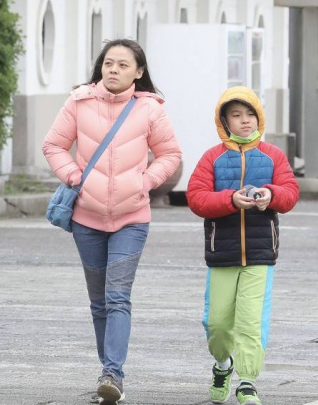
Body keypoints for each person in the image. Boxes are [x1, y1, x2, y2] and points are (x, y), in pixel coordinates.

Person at [42, 39, 182, 405]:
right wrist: (74, 176)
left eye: (123, 64)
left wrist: (146, 182)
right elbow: (53, 145)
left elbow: (170, 154)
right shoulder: (79, 101)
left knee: (117, 296)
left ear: (138, 71)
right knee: (98, 301)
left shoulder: (149, 108)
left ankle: (113, 374)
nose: (114, 70)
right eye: (108, 63)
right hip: (86, 218)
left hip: (131, 218)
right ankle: (108, 368)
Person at [186, 86, 299, 405]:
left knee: (252, 320)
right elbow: (196, 198)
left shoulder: (274, 155)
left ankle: (248, 380)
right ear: (224, 121)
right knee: (217, 323)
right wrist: (230, 200)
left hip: (261, 255)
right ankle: (223, 365)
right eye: (236, 115)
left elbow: (290, 193)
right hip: (221, 254)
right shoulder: (212, 157)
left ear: (259, 117)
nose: (245, 121)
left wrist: (271, 196)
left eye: (250, 114)